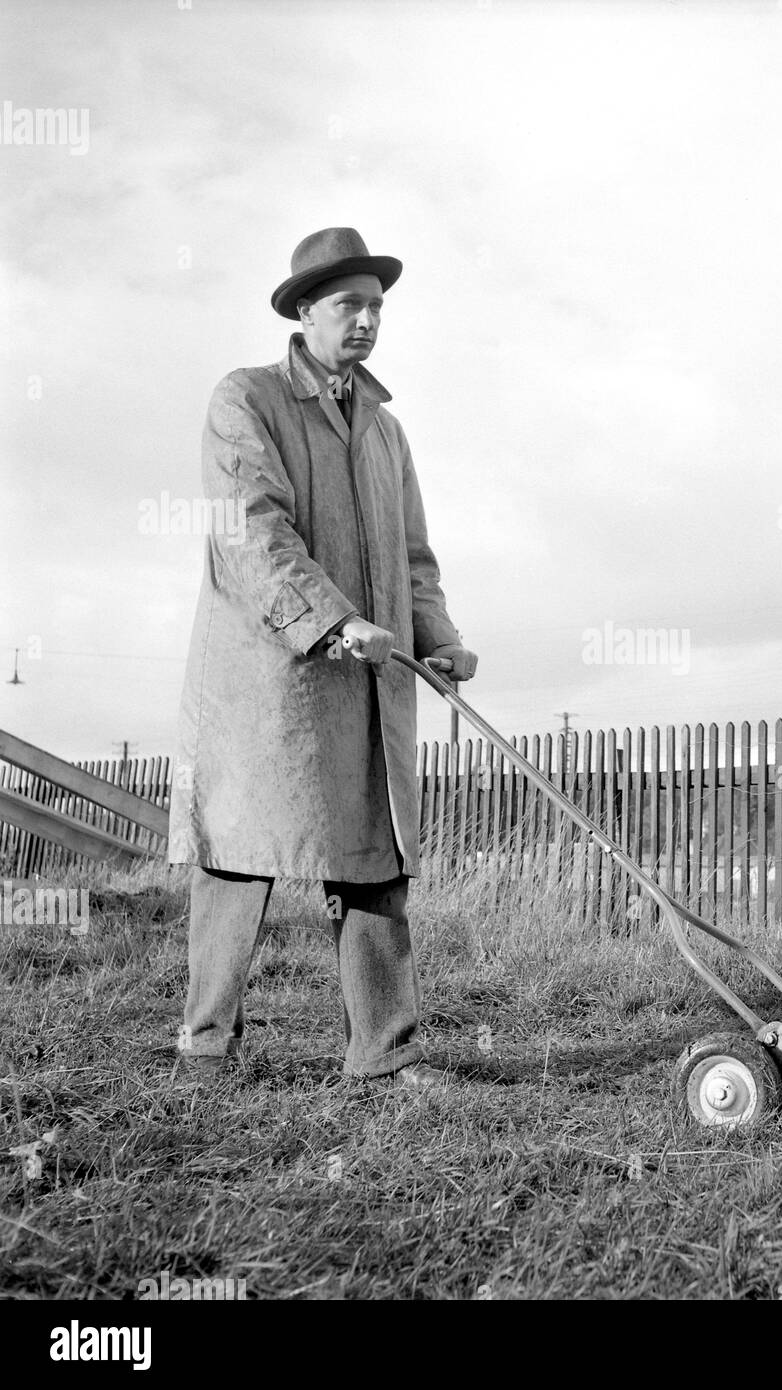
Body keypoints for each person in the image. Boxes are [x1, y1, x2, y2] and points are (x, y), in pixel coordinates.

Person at [167, 226, 477, 1089]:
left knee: (375, 856)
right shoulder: (247, 400)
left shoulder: (386, 433)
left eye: (377, 306)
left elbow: (414, 558)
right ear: (305, 312)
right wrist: (335, 622)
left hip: (370, 683)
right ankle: (205, 1049)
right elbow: (252, 531)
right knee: (239, 848)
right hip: (269, 678)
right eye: (350, 304)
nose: (368, 320)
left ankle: (385, 1053)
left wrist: (438, 638)